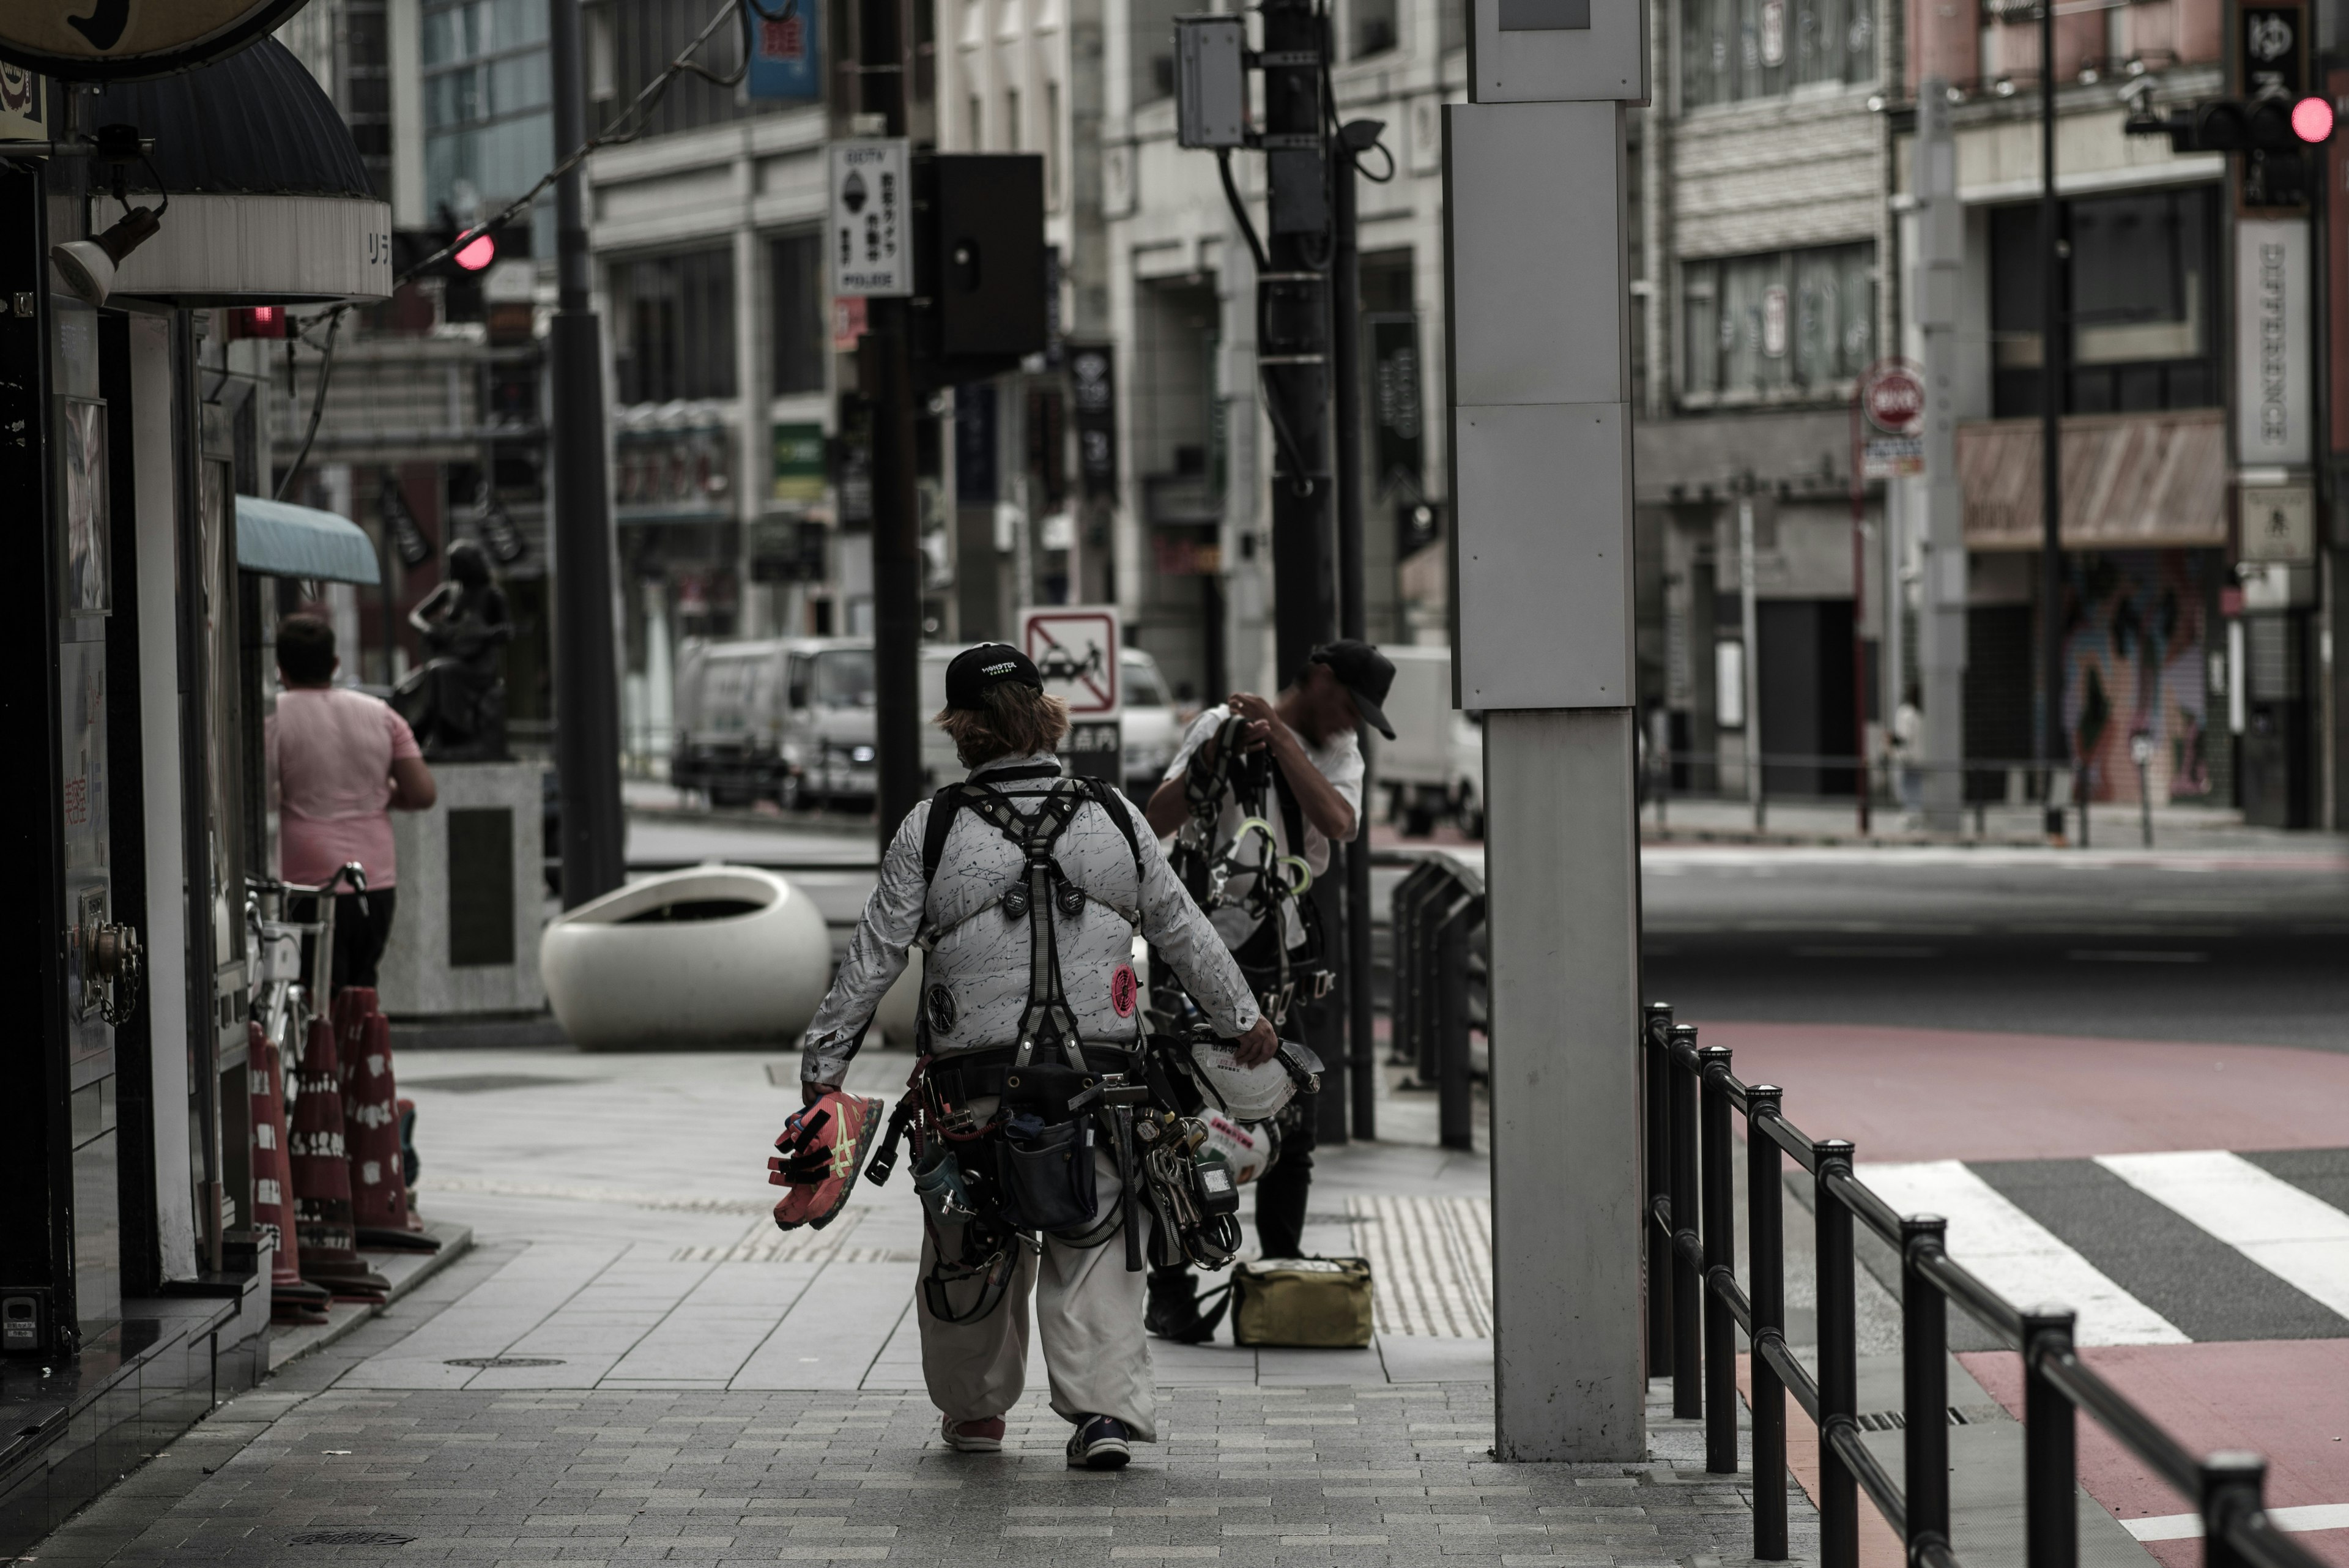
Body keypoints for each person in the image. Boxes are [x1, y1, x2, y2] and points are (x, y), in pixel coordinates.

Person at [795, 643, 1277, 1470]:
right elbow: (1184, 930)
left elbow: (872, 957)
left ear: (964, 730)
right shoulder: (1117, 816)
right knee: (1096, 1245)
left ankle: (977, 1412)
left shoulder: (933, 826)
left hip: (968, 1095)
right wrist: (1246, 1019)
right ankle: (1101, 1414)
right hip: (1103, 1088)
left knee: (970, 1245)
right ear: (1044, 715)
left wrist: (823, 1070)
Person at [1138, 639, 1395, 1342]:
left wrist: (1281, 740)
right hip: (1199, 945)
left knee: (1294, 1116)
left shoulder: (1335, 751)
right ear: (1317, 678)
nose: (1350, 721)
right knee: (1178, 1121)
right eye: (1346, 703)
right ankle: (1169, 1288)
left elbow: (1339, 824)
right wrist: (1216, 757)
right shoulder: (1218, 724)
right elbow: (1153, 823)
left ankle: (1282, 1270)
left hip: (1281, 952)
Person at [268, 614, 437, 988]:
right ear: (334, 664)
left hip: (305, 878)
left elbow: (261, 794)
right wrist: (381, 794)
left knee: (312, 990)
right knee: (361, 986)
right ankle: (362, 1045)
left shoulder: (273, 717)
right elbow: (423, 793)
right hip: (374, 877)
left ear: (280, 667)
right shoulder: (381, 715)